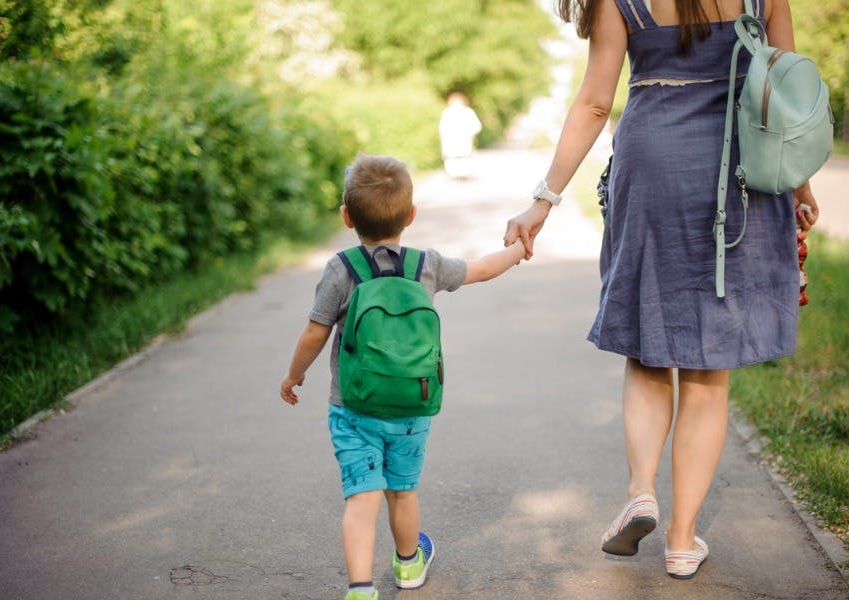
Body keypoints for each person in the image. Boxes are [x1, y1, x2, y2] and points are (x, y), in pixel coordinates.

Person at [504, 0, 820, 580]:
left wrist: (541, 201)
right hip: (739, 173)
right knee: (708, 369)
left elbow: (596, 102)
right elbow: (787, 93)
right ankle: (680, 541)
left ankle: (641, 490)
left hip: (652, 164)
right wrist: (798, 184)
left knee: (650, 347)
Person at [281, 154, 526, 600]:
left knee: (362, 498)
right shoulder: (425, 265)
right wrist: (518, 248)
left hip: (353, 408)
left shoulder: (342, 269)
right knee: (403, 492)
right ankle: (410, 566)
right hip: (412, 406)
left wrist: (294, 376)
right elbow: (483, 269)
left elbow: (315, 332)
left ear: (346, 216)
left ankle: (360, 589)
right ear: (411, 215)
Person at [439, 92, 483, 179]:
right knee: (453, 167)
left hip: (465, 143)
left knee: (464, 166)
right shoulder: (447, 113)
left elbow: (477, 126)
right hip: (450, 144)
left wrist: (470, 133)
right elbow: (442, 129)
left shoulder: (468, 112)